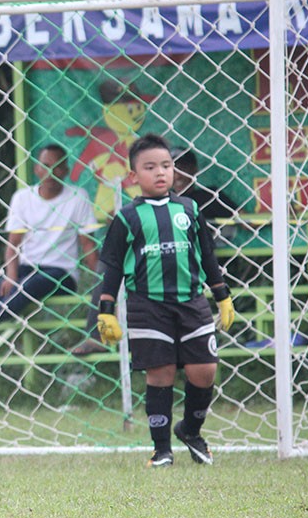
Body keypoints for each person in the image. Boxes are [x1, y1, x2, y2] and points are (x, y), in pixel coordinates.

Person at [94, 133, 236, 468]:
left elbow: (207, 255)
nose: (161, 172)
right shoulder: (127, 217)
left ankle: (191, 430)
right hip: (148, 307)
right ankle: (161, 450)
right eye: (150, 167)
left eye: (166, 166)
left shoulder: (190, 209)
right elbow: (112, 265)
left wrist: (222, 296)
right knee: (161, 373)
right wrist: (106, 311)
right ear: (133, 176)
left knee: (204, 370)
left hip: (191, 302)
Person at [0, 144, 98, 355]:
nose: (51, 172)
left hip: (61, 272)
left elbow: (88, 244)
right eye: (46, 165)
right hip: (27, 266)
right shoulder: (22, 198)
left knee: (30, 286)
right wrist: (11, 275)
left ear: (66, 171)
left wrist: (104, 280)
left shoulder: (78, 196)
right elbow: (13, 244)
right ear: (36, 169)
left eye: (58, 167)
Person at [171, 148, 241, 243]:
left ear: (194, 169)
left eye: (182, 168)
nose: (177, 175)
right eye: (172, 169)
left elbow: (245, 220)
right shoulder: (163, 200)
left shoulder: (209, 196)